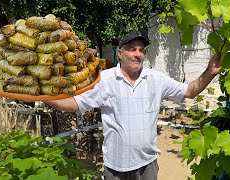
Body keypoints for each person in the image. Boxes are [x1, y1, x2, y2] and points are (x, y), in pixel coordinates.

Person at [45, 31, 221, 180]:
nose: (137, 54)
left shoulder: (156, 79)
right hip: (116, 166)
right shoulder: (105, 80)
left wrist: (210, 72)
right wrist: (38, 96)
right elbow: (73, 104)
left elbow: (189, 91)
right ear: (120, 54)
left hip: (147, 164)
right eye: (131, 49)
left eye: (141, 50)